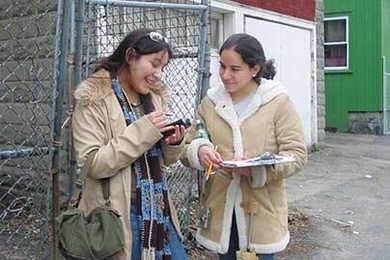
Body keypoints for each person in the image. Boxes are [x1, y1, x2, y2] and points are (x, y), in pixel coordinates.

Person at [181, 33, 307, 259]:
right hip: (221, 209)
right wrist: (200, 151)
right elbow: (188, 144)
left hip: (261, 213)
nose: (225, 75)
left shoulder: (277, 102)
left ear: (255, 69)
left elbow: (297, 154)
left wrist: (257, 170)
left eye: (235, 69)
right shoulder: (210, 103)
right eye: (222, 66)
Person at [72, 28, 188, 260]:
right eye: (154, 64)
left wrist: (173, 143)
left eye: (163, 68)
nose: (158, 74)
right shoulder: (93, 98)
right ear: (130, 55)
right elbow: (92, 164)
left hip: (158, 209)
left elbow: (162, 159)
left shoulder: (154, 98)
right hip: (117, 213)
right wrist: (144, 131)